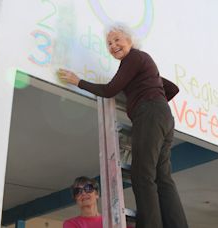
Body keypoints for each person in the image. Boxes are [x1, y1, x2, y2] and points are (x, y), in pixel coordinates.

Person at [57, 23, 188, 228]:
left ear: (130, 41)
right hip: (163, 116)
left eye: (117, 40)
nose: (113, 45)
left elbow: (110, 90)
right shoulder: (142, 65)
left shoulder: (134, 58)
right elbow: (173, 88)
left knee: (142, 175)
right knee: (162, 177)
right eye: (109, 43)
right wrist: (153, 97)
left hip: (150, 115)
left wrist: (78, 81)